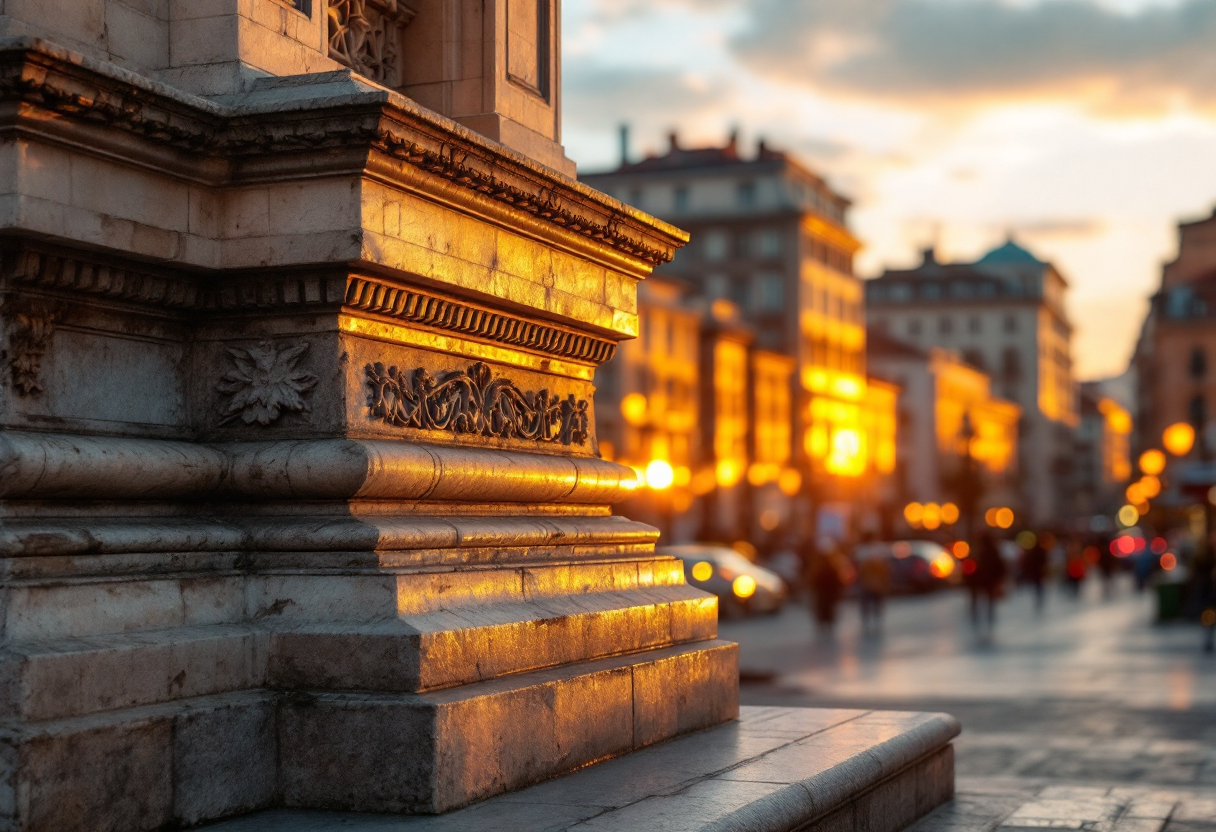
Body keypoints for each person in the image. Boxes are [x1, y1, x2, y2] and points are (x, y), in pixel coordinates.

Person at [969, 531, 1007, 630]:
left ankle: (977, 615)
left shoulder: (978, 551)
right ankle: (989, 615)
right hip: (989, 581)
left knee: (979, 599)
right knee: (988, 599)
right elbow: (1000, 566)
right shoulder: (992, 551)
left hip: (981, 581)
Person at [807, 543, 845, 632]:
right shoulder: (825, 566)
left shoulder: (824, 566)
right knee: (825, 609)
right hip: (825, 593)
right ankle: (825, 624)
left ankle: (825, 623)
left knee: (825, 609)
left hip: (825, 593)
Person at [857, 548, 891, 634]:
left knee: (870, 606)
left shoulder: (867, 565)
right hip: (874, 587)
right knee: (875, 606)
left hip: (869, 587)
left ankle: (869, 623)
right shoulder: (878, 564)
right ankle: (874, 622)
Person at [1021, 534, 1048, 612]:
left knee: (1037, 586)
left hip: (1036, 572)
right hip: (1039, 571)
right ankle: (1039, 598)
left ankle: (1038, 598)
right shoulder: (1041, 551)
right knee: (1039, 586)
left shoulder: (1033, 552)